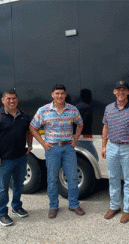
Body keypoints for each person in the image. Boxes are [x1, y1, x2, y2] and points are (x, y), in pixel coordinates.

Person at [30, 84, 85, 219]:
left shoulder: (72, 110)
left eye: (62, 93)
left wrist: (75, 139)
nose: (60, 96)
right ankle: (53, 206)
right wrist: (43, 143)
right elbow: (32, 127)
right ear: (52, 95)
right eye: (57, 93)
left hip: (68, 148)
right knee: (52, 178)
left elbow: (80, 123)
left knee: (72, 177)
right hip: (52, 148)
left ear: (65, 95)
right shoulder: (43, 111)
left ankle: (73, 204)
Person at [0, 89, 33, 227]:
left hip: (21, 158)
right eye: (8, 98)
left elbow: (29, 131)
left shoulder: (23, 115)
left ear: (17, 100)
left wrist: (30, 145)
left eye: (14, 98)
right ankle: (2, 213)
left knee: (19, 185)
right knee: (2, 188)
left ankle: (16, 206)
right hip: (3, 160)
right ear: (3, 100)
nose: (12, 101)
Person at [101, 80, 129, 223]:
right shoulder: (109, 108)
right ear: (114, 91)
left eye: (124, 90)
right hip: (112, 147)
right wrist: (103, 146)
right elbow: (105, 128)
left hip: (128, 148)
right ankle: (114, 206)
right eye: (118, 90)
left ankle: (128, 210)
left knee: (128, 181)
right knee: (113, 178)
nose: (121, 92)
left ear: (128, 92)